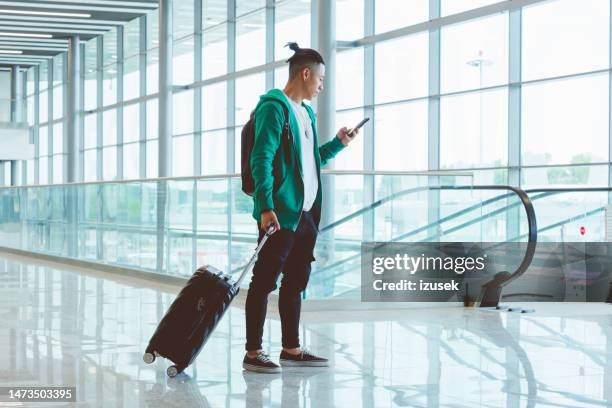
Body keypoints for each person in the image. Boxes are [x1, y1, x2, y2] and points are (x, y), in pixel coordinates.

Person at [243, 42, 359, 373]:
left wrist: (339, 143)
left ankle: (291, 348)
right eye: (320, 79)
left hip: (305, 215)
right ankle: (253, 352)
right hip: (280, 214)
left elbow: (310, 160)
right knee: (264, 281)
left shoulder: (305, 113)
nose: (322, 86)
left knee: (295, 282)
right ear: (306, 73)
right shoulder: (274, 107)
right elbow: (261, 158)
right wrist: (265, 207)